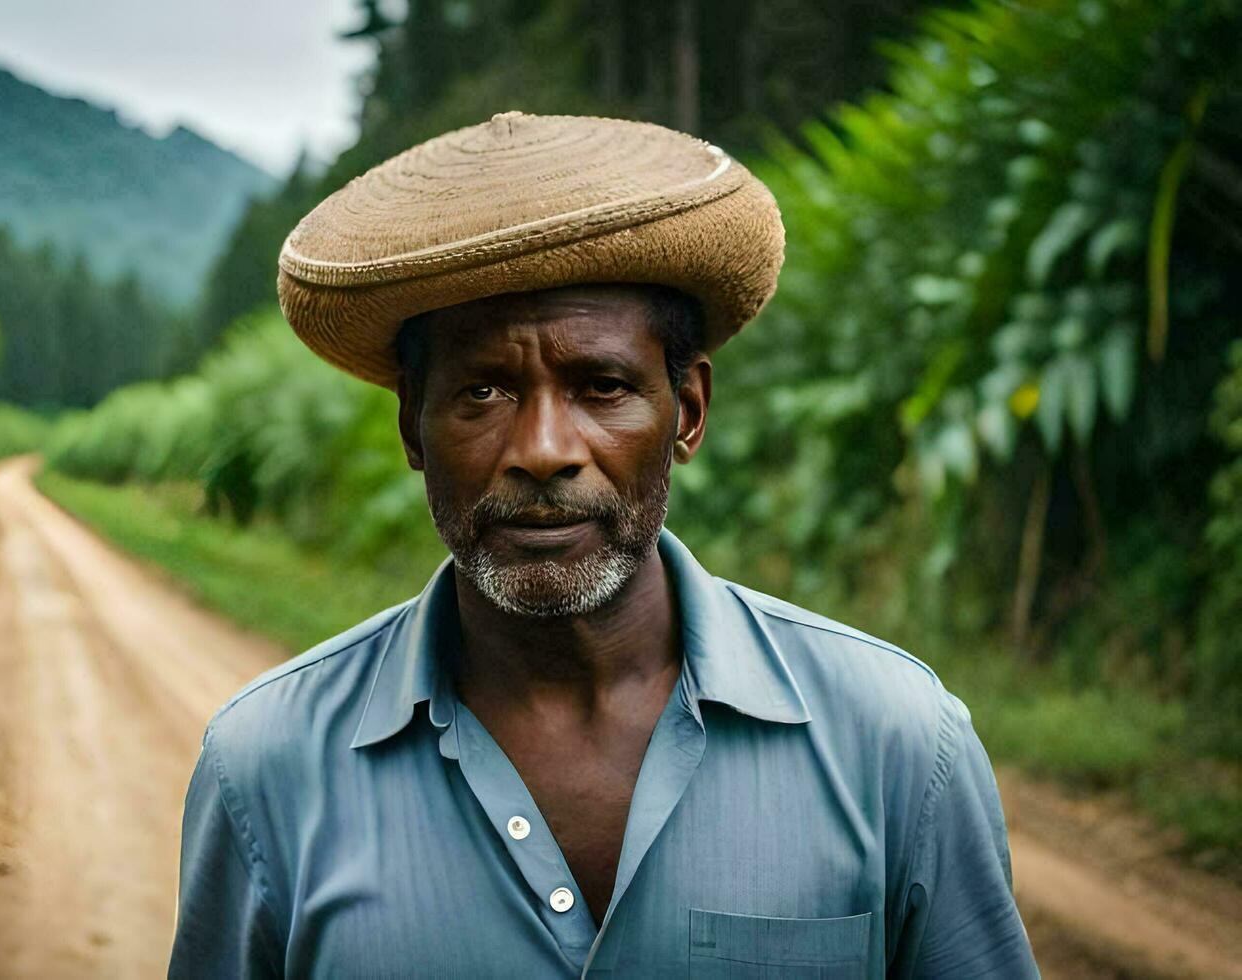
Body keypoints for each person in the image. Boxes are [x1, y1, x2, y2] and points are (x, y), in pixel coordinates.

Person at [168, 111, 1039, 978]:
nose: (545, 449)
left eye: (602, 385)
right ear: (412, 428)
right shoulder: (266, 773)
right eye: (481, 391)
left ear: (688, 412)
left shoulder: (897, 745)